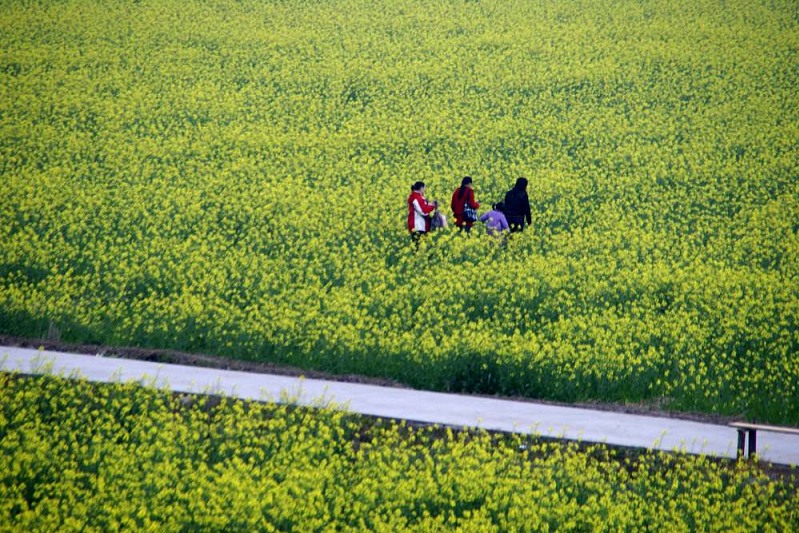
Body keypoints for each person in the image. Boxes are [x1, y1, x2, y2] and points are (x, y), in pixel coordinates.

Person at [407, 181, 438, 245]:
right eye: (424, 188)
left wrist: (430, 205)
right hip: (418, 226)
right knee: (418, 247)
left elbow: (423, 206)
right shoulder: (416, 198)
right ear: (421, 188)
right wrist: (432, 206)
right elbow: (423, 211)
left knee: (421, 248)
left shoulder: (418, 197)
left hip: (421, 226)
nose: (425, 190)